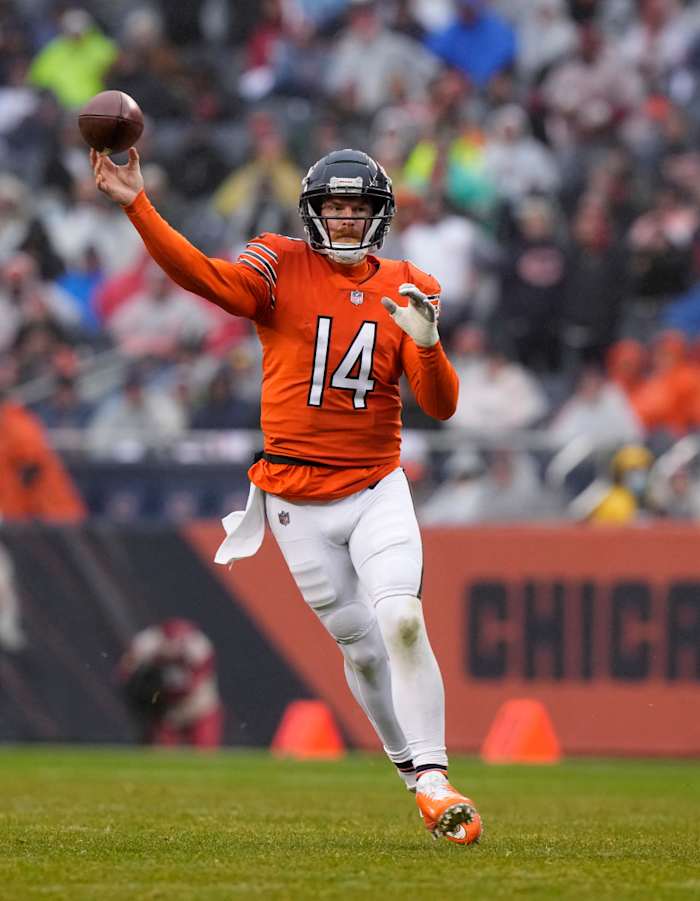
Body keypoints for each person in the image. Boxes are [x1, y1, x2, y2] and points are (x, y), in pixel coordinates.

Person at [91, 144, 482, 845]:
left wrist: (427, 344)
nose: (343, 220)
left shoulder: (408, 283)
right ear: (312, 213)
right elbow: (206, 279)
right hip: (295, 498)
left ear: (379, 216)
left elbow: (442, 405)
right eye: (333, 207)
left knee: (402, 620)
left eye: (356, 208)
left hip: (373, 485)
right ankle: (409, 772)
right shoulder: (278, 263)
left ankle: (435, 777)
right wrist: (138, 207)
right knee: (362, 649)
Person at [118, 618, 223, 748]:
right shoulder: (148, 642)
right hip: (165, 706)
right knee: (159, 752)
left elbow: (197, 680)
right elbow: (126, 671)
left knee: (205, 752)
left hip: (197, 705)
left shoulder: (197, 645)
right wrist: (147, 689)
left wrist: (173, 689)